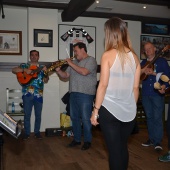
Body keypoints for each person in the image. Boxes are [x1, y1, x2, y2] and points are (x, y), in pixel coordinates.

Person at [90, 17, 141, 170]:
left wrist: (95, 111)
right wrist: (131, 107)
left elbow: (103, 85)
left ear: (110, 34)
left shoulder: (107, 55)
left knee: (114, 151)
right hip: (129, 112)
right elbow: (135, 88)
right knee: (122, 148)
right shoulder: (135, 57)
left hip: (109, 111)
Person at [56, 42, 97, 150]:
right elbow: (65, 76)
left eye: (76, 51)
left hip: (86, 94)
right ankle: (77, 140)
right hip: (73, 94)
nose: (74, 53)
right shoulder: (74, 62)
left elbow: (84, 72)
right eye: (74, 51)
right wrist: (59, 70)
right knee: (74, 118)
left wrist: (70, 63)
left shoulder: (91, 60)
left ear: (83, 49)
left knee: (85, 119)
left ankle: (87, 141)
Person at [12, 50, 49, 140]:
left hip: (39, 95)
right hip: (27, 94)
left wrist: (46, 72)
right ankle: (27, 133)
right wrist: (24, 70)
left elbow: (46, 80)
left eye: (36, 55)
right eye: (32, 55)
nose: (34, 56)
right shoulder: (24, 65)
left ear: (38, 57)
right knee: (27, 115)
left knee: (38, 115)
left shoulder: (41, 67)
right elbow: (14, 70)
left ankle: (37, 132)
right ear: (30, 56)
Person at [140, 42, 170, 150]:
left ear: (154, 49)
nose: (147, 51)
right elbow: (139, 76)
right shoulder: (143, 62)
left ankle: (158, 142)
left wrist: (154, 73)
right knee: (149, 117)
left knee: (157, 118)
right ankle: (151, 139)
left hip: (157, 94)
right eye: (145, 49)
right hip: (146, 93)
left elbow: (167, 76)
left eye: (149, 48)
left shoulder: (162, 61)